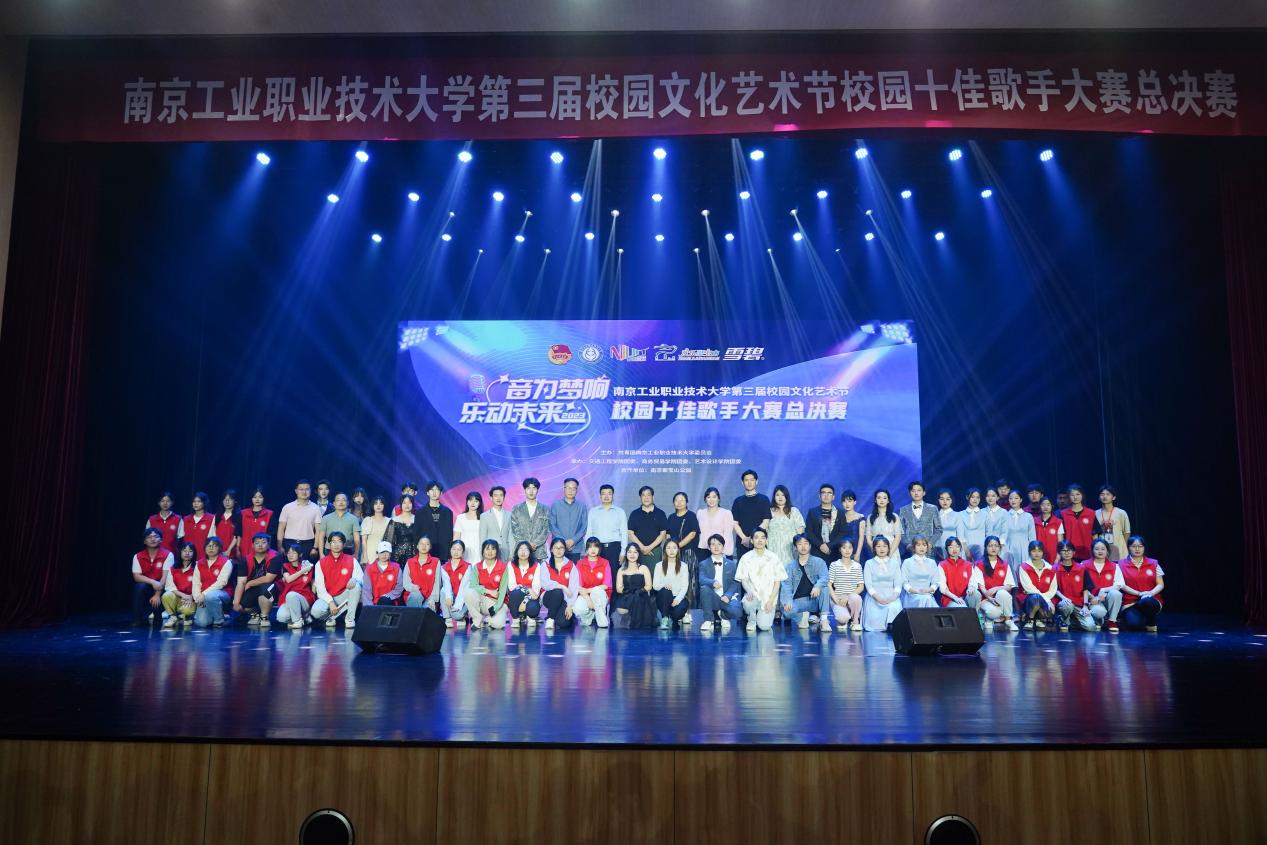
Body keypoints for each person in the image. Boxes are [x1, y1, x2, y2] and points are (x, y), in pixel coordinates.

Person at [311, 532, 363, 629]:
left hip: (344, 595)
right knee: (316, 611)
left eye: (339, 541)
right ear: (329, 544)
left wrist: (355, 579)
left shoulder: (352, 560)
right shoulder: (320, 563)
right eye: (333, 542)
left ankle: (349, 619)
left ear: (343, 544)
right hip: (328, 597)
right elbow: (320, 589)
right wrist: (330, 602)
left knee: (356, 586)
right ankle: (331, 618)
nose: (336, 544)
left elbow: (361, 578)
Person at [736, 528, 784, 632]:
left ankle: (761, 617)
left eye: (763, 538)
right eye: (756, 538)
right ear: (752, 540)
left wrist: (771, 601)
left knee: (764, 627)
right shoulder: (745, 558)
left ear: (766, 540)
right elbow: (743, 579)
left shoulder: (774, 557)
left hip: (768, 599)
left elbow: (777, 582)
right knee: (748, 603)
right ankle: (752, 619)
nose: (760, 540)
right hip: (753, 596)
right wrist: (748, 590)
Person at [781, 534, 831, 631]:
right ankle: (802, 617)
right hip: (798, 601)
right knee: (786, 612)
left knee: (824, 588)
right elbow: (786, 585)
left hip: (814, 600)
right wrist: (788, 601)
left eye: (806, 543)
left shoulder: (819, 562)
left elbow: (825, 577)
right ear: (795, 547)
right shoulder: (790, 566)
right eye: (800, 544)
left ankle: (824, 620)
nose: (803, 546)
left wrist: (817, 586)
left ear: (810, 546)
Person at [233, 533, 281, 627]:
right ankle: (256, 612)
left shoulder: (275, 557)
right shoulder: (245, 560)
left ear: (268, 544)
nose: (260, 545)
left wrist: (250, 583)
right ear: (252, 545)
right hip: (253, 588)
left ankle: (264, 616)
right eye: (257, 543)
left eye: (263, 542)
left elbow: (269, 578)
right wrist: (236, 603)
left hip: (272, 587)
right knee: (240, 606)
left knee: (265, 590)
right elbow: (241, 582)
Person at [698, 533, 743, 633]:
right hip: (712, 597)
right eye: (713, 544)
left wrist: (728, 595)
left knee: (738, 612)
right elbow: (701, 579)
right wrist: (712, 582)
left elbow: (735, 582)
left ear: (723, 547)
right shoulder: (703, 564)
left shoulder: (731, 564)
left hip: (726, 598)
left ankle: (723, 615)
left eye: (719, 544)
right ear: (709, 547)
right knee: (704, 588)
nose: (716, 547)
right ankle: (708, 620)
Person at [1119, 535, 1164, 632]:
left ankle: (1151, 622)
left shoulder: (1154, 563)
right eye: (1134, 546)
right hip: (1130, 603)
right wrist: (1139, 594)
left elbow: (1160, 584)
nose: (1137, 549)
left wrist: (1150, 593)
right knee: (1134, 625)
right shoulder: (1120, 564)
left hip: (1151, 600)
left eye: (1140, 546)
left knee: (1147, 602)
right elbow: (1121, 585)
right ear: (1128, 547)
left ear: (1144, 547)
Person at [666, 492, 701, 620]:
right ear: (673, 503)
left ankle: (688, 612)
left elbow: (692, 534)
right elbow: (668, 534)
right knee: (674, 582)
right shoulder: (671, 517)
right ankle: (675, 611)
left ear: (686, 502)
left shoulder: (691, 516)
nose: (679, 502)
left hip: (688, 553)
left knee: (690, 583)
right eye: (677, 500)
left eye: (682, 500)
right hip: (673, 555)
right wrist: (670, 547)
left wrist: (677, 546)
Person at [463, 539, 509, 629]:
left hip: (497, 602)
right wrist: (489, 591)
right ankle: (477, 619)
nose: (490, 551)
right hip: (482, 600)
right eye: (487, 548)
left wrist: (495, 608)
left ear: (497, 551)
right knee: (468, 592)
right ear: (483, 551)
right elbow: (473, 586)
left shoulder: (503, 567)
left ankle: (489, 619)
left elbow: (503, 591)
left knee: (498, 625)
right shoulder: (477, 567)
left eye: (493, 548)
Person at [132, 527, 173, 626]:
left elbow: (165, 577)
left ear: (161, 540)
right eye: (149, 537)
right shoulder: (138, 556)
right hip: (148, 586)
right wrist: (153, 582)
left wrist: (157, 595)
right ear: (145, 541)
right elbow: (136, 576)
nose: (153, 539)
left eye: (156, 537)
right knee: (139, 587)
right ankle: (138, 618)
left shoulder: (168, 555)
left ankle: (158, 615)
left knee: (166, 590)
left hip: (162, 587)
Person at [1082, 539, 1125, 634]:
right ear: (1092, 550)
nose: (1100, 551)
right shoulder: (1084, 565)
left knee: (1116, 594)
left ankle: (1112, 621)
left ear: (1107, 551)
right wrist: (1092, 597)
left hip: (1106, 598)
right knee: (1099, 612)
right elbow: (1081, 586)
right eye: (1097, 549)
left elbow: (1119, 585)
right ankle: (1098, 620)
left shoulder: (1114, 566)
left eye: (1103, 549)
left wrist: (1104, 590)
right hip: (1092, 600)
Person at [861, 536, 903, 633]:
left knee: (894, 607)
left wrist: (892, 597)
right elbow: (868, 585)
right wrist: (878, 598)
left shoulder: (894, 563)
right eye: (878, 546)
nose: (882, 549)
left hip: (891, 596)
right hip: (874, 597)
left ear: (888, 548)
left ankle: (891, 627)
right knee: (873, 621)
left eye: (884, 546)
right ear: (874, 549)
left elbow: (898, 584)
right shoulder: (869, 563)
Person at [192, 536, 235, 628]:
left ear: (219, 548)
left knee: (211, 596)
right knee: (202, 623)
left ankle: (219, 620)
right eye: (209, 546)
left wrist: (204, 594)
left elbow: (222, 582)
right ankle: (217, 615)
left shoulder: (226, 562)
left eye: (214, 546)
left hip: (222, 593)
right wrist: (197, 598)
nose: (211, 548)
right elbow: (196, 583)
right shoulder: (199, 563)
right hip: (203, 596)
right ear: (205, 548)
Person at [977, 538, 1019, 631]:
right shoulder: (979, 564)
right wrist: (989, 597)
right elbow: (981, 586)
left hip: (999, 598)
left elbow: (1009, 586)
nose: (993, 548)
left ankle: (1008, 620)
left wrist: (995, 588)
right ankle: (988, 619)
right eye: (990, 546)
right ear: (985, 548)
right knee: (992, 612)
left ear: (1000, 547)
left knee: (1003, 593)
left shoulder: (1005, 565)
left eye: (996, 546)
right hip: (985, 599)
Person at [613, 542, 656, 630]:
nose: (632, 555)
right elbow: (618, 588)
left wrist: (640, 591)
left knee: (637, 598)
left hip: (641, 595)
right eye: (629, 552)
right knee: (622, 607)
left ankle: (634, 623)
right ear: (626, 554)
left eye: (635, 552)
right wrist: (627, 591)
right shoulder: (621, 570)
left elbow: (649, 586)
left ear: (638, 554)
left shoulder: (643, 568)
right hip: (626, 595)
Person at [277, 479, 324, 561]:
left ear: (310, 491)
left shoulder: (316, 508)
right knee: (288, 567)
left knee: (306, 567)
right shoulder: (287, 507)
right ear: (296, 491)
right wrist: (279, 546)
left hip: (307, 544)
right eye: (301, 489)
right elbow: (281, 528)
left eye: (307, 489)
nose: (304, 492)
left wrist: (315, 547)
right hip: (289, 543)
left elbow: (318, 530)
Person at [539, 540, 580, 632]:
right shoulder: (545, 564)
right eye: (556, 547)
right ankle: (550, 619)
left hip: (565, 599)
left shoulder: (571, 565)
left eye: (561, 547)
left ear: (565, 550)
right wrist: (562, 586)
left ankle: (557, 616)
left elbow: (574, 588)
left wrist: (570, 606)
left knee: (563, 623)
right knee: (557, 592)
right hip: (549, 597)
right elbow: (545, 584)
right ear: (551, 549)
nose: (558, 550)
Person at [1053, 544, 1094, 633]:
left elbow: (1085, 588)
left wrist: (1085, 606)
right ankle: (1063, 619)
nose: (1067, 553)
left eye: (1069, 550)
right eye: (1064, 550)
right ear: (1059, 553)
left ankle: (1072, 621)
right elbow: (1053, 588)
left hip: (1078, 603)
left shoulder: (1081, 568)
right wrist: (1063, 598)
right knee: (1068, 606)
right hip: (1063, 602)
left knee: (1090, 627)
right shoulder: (1054, 569)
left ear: (1073, 552)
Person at [1018, 539, 1058, 629]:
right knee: (1036, 598)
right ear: (1029, 552)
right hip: (1029, 599)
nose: (1037, 554)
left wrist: (1046, 600)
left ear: (1043, 552)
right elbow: (1029, 588)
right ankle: (1030, 620)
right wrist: (1047, 600)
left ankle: (1039, 619)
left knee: (1049, 611)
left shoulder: (1050, 569)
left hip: (1046, 598)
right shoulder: (1024, 567)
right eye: (1034, 551)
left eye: (1039, 551)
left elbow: (1053, 589)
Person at [509, 477, 550, 563]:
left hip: (539, 552)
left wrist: (535, 543)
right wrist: (526, 544)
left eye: (534, 488)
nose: (531, 491)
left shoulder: (545, 509)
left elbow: (546, 530)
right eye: (528, 488)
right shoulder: (517, 509)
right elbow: (515, 530)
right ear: (524, 490)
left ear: (537, 490)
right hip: (522, 553)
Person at [276, 543, 316, 629]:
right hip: (289, 598)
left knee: (291, 595)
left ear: (300, 554)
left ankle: (297, 621)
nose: (290, 555)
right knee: (281, 617)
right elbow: (288, 579)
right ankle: (304, 617)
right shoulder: (285, 566)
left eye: (293, 553)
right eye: (288, 553)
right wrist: (303, 571)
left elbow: (313, 584)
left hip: (304, 599)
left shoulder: (306, 565)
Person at [573, 538, 612, 628]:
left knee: (597, 591)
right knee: (577, 609)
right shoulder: (580, 563)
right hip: (584, 595)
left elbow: (606, 585)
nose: (593, 549)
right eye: (590, 547)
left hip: (601, 595)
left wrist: (589, 590)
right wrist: (587, 598)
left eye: (595, 546)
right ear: (586, 549)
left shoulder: (605, 563)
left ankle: (601, 619)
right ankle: (589, 616)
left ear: (599, 549)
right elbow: (578, 586)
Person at [827, 539, 864, 632]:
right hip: (839, 598)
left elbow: (861, 586)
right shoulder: (834, 565)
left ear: (853, 549)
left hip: (852, 597)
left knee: (856, 598)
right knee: (842, 619)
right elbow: (829, 584)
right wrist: (835, 599)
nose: (847, 550)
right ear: (840, 549)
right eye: (844, 548)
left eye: (850, 548)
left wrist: (848, 597)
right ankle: (844, 619)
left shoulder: (857, 566)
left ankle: (855, 621)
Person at [652, 539, 690, 630]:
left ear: (678, 550)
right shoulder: (659, 565)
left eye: (674, 548)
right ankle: (665, 618)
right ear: (665, 550)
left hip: (678, 597)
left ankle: (674, 619)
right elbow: (655, 585)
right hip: (663, 597)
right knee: (666, 590)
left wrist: (677, 600)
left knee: (678, 611)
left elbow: (685, 586)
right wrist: (664, 585)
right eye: (668, 548)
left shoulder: (683, 566)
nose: (671, 550)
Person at [805, 484, 848, 563]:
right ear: (819, 496)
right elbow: (809, 531)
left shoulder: (840, 513)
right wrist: (820, 545)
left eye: (829, 493)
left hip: (834, 552)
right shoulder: (812, 512)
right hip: (817, 551)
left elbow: (843, 532)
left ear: (833, 497)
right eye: (823, 493)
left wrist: (829, 545)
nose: (826, 495)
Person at [731, 469, 771, 553]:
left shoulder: (764, 499)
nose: (749, 482)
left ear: (756, 482)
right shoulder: (737, 501)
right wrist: (744, 538)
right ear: (742, 483)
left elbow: (766, 521)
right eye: (746, 480)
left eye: (752, 480)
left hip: (759, 542)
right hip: (742, 543)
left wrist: (754, 537)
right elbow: (735, 523)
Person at [937, 537, 982, 609]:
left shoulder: (968, 565)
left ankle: (975, 615)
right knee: (962, 608)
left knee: (976, 594)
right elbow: (943, 588)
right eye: (951, 547)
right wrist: (956, 598)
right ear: (947, 549)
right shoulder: (942, 565)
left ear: (960, 548)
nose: (954, 549)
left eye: (957, 546)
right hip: (950, 599)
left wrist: (971, 588)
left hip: (965, 597)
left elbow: (973, 582)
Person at [161, 542, 199, 627]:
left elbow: (201, 585)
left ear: (194, 553)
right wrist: (183, 595)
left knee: (187, 611)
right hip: (179, 596)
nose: (187, 553)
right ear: (180, 552)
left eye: (190, 551)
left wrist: (191, 596)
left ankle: (188, 617)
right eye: (184, 551)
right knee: (166, 595)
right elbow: (170, 586)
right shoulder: (173, 568)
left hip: (192, 598)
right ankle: (173, 617)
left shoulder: (198, 567)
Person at [549, 477, 587, 562]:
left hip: (576, 548)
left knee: (575, 570)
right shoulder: (555, 505)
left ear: (577, 490)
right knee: (557, 570)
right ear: (564, 489)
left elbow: (584, 527)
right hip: (558, 547)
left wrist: (573, 540)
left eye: (574, 488)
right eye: (568, 488)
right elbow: (552, 525)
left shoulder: (582, 506)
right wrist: (563, 542)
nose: (571, 491)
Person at [507, 540, 542, 629]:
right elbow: (512, 586)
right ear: (516, 551)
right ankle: (515, 618)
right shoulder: (511, 565)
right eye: (520, 549)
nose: (523, 552)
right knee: (515, 593)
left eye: (526, 549)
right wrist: (528, 589)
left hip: (531, 597)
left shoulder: (536, 566)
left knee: (533, 608)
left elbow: (536, 590)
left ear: (530, 552)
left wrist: (525, 601)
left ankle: (530, 616)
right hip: (516, 596)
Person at [898, 482, 940, 557]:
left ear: (924, 493)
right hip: (910, 551)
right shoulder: (903, 510)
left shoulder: (933, 508)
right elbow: (900, 530)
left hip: (928, 550)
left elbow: (939, 529)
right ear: (909, 493)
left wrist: (930, 543)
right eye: (913, 491)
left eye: (919, 490)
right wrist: (907, 544)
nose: (916, 493)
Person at [1002, 491, 1037, 578]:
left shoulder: (1028, 516)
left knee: (1024, 574)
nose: (1013, 500)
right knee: (1010, 574)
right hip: (1009, 548)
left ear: (1021, 500)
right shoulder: (1004, 516)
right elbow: (1002, 536)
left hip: (1025, 549)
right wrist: (1004, 550)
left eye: (1016, 498)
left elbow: (1032, 537)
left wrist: (1033, 551)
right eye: (1011, 498)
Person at [900, 535, 940, 609]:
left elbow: (936, 582)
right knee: (924, 599)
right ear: (913, 547)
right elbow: (904, 582)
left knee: (927, 599)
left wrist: (928, 590)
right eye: (918, 545)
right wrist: (915, 591)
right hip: (912, 595)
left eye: (924, 545)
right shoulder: (907, 562)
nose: (922, 547)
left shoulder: (932, 562)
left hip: (927, 594)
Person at [695, 487, 735, 561]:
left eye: (714, 497)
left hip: (720, 550)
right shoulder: (700, 513)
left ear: (718, 499)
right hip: (703, 550)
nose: (711, 500)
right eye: (708, 497)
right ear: (705, 499)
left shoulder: (726, 513)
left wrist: (724, 552)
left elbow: (728, 535)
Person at [403, 535, 441, 611]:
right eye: (421, 544)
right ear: (417, 546)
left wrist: (433, 598)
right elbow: (406, 582)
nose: (424, 546)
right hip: (414, 595)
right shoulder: (410, 562)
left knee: (428, 612)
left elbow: (437, 583)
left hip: (430, 598)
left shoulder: (436, 561)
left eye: (427, 544)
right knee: (416, 596)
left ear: (430, 547)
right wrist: (414, 588)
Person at [418, 481, 455, 561]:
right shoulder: (420, 512)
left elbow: (450, 534)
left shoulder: (448, 512)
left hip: (443, 552)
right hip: (425, 551)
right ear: (427, 493)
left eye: (437, 490)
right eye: (432, 490)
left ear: (441, 493)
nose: (434, 492)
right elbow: (416, 533)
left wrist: (449, 553)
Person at [439, 541, 472, 628]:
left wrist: (458, 605)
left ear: (463, 552)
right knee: (443, 591)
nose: (456, 552)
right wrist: (448, 597)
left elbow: (464, 587)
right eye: (453, 549)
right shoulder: (444, 567)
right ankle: (448, 617)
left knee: (457, 616)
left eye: (459, 549)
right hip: (452, 596)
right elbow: (446, 584)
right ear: (450, 550)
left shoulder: (467, 566)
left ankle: (461, 617)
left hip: (463, 596)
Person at [1059, 484, 1097, 560]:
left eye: (1078, 494)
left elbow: (1095, 534)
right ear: (1068, 497)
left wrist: (1095, 550)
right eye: (1072, 495)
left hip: (1088, 552)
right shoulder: (1063, 514)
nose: (1075, 497)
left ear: (1082, 495)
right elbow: (1060, 535)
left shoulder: (1091, 513)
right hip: (1069, 553)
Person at [1095, 485, 1133, 561]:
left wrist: (1124, 547)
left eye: (1108, 494)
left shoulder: (1121, 513)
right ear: (1099, 497)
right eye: (1102, 494)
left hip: (1120, 550)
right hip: (1102, 550)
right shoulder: (1095, 513)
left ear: (1114, 497)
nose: (1105, 496)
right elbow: (1094, 534)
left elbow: (1127, 532)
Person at [320, 492, 361, 559]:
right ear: (334, 503)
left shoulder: (354, 519)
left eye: (343, 500)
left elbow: (357, 539)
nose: (341, 502)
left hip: (347, 550)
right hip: (329, 550)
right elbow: (321, 537)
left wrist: (356, 553)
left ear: (347, 503)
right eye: (338, 500)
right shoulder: (326, 518)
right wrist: (321, 554)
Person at [363, 541, 405, 606]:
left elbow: (399, 588)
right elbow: (366, 590)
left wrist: (387, 596)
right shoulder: (369, 569)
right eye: (382, 552)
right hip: (374, 604)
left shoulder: (396, 568)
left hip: (390, 601)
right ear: (377, 553)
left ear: (390, 554)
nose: (384, 555)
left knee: (384, 601)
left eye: (387, 552)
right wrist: (370, 607)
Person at [384, 494, 419, 566]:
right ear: (400, 505)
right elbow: (388, 540)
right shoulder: (394, 520)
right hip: (397, 555)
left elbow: (422, 538)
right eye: (404, 503)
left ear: (412, 504)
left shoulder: (418, 519)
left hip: (414, 554)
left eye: (409, 502)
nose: (407, 505)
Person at [479, 485, 512, 561]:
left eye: (501, 495)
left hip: (506, 552)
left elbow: (511, 536)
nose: (498, 498)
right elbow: (482, 537)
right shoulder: (484, 516)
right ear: (491, 498)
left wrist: (512, 554)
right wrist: (482, 556)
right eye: (495, 495)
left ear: (504, 497)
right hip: (490, 553)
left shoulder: (509, 515)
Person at [866, 489, 902, 560]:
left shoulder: (894, 516)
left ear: (888, 501)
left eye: (884, 498)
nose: (882, 500)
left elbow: (898, 537)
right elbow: (868, 537)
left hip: (892, 550)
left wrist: (890, 553)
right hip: (877, 550)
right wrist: (875, 550)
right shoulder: (870, 517)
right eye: (879, 498)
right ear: (875, 500)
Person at [179, 492, 214, 559]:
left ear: (204, 503)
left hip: (204, 556)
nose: (196, 503)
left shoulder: (211, 518)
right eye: (194, 501)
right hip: (188, 556)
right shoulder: (186, 519)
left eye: (199, 501)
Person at [360, 496, 392, 567]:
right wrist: (365, 557)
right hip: (370, 554)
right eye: (376, 503)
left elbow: (390, 540)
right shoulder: (367, 520)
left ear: (384, 505)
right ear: (372, 505)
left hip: (384, 554)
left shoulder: (389, 521)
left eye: (381, 503)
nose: (378, 505)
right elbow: (364, 541)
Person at [454, 492, 484, 565]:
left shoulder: (484, 518)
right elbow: (456, 537)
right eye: (470, 500)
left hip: (479, 551)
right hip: (464, 550)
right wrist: (456, 551)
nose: (473, 503)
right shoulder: (460, 518)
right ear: (467, 502)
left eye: (476, 501)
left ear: (479, 503)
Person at [241, 487, 274, 553]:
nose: (257, 499)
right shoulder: (243, 513)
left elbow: (271, 534)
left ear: (264, 498)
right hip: (245, 547)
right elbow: (238, 533)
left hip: (261, 548)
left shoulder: (269, 514)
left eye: (260, 497)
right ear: (251, 499)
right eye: (255, 497)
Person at [956, 488, 986, 561]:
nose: (975, 500)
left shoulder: (985, 514)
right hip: (965, 548)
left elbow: (988, 533)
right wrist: (966, 550)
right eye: (972, 497)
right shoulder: (960, 514)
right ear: (967, 497)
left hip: (982, 548)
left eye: (977, 497)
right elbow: (960, 535)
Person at [1034, 496, 1065, 564]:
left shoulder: (1058, 522)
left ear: (1052, 506)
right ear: (1039, 506)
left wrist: (1058, 557)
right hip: (1038, 554)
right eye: (1043, 504)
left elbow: (1060, 542)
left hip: (1053, 555)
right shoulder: (1034, 521)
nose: (1045, 507)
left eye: (1048, 505)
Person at [213, 489, 242, 561]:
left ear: (235, 501)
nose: (227, 502)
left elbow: (237, 536)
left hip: (231, 554)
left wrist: (229, 550)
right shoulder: (218, 516)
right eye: (225, 499)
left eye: (230, 499)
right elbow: (213, 533)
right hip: (217, 552)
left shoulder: (238, 516)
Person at [933, 489, 959, 561]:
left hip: (953, 548)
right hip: (938, 549)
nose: (945, 501)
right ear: (938, 500)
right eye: (942, 499)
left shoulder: (957, 515)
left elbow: (960, 535)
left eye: (948, 499)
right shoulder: (934, 516)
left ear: (951, 500)